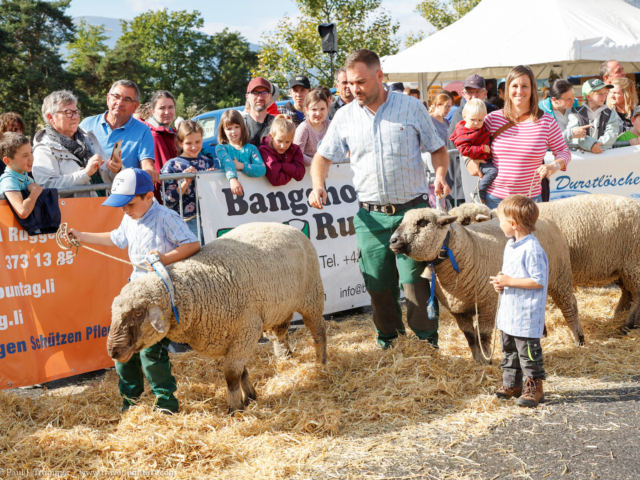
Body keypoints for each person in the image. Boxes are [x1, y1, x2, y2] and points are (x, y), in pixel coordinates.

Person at [309, 48, 450, 350]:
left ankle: (427, 346)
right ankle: (390, 345)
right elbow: (321, 157)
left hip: (413, 215)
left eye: (360, 82)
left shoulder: (411, 107)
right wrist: (317, 185)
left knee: (415, 284)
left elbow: (437, 148)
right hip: (370, 218)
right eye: (348, 84)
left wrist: (440, 175)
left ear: (379, 76)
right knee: (377, 286)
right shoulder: (345, 117)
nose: (353, 90)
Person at [68, 168, 200, 414]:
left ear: (149, 197)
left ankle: (166, 404)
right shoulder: (130, 217)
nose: (125, 210)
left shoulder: (165, 217)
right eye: (122, 206)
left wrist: (164, 257)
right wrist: (82, 236)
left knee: (151, 352)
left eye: (129, 204)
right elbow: (117, 239)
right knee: (121, 347)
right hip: (135, 293)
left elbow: (192, 244)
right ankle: (131, 402)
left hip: (159, 296)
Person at [466, 65, 571, 209]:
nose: (519, 91)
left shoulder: (546, 121)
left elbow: (563, 152)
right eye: (514, 86)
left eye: (525, 86)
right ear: (507, 89)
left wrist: (554, 166)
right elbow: (466, 139)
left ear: (532, 89)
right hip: (494, 200)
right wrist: (468, 161)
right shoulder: (491, 119)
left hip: (530, 201)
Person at [490, 195, 548, 408]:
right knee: (510, 351)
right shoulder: (510, 244)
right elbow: (510, 274)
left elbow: (538, 280)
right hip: (509, 312)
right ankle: (512, 384)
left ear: (513, 224)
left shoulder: (532, 249)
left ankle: (534, 388)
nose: (499, 224)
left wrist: (510, 281)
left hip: (526, 314)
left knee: (528, 354)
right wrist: (502, 282)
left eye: (500, 221)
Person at [33, 90, 122, 198]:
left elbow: (107, 175)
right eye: (68, 113)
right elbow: (47, 187)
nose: (75, 117)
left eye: (76, 112)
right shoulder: (44, 149)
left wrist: (116, 169)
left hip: (105, 208)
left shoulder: (88, 138)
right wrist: (85, 174)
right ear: (50, 117)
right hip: (75, 213)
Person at [79, 79, 157, 183]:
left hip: (124, 194)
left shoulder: (143, 131)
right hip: (89, 194)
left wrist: (150, 172)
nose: (120, 103)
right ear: (108, 98)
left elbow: (147, 165)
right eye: (116, 97)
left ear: (135, 107)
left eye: (127, 100)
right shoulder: (86, 124)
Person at [161, 120, 219, 239]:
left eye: (198, 141)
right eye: (189, 143)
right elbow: (168, 200)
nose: (194, 147)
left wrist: (214, 180)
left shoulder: (207, 162)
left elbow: (217, 193)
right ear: (180, 143)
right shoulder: (171, 166)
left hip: (210, 219)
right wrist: (185, 183)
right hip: (185, 222)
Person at [446, 75, 497, 205]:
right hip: (462, 181)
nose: (473, 96)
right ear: (463, 93)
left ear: (485, 93)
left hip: (488, 179)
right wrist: (469, 160)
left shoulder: (493, 111)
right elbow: (459, 147)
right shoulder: (460, 114)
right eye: (470, 92)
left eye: (477, 91)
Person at [215, 109, 266, 196]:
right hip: (228, 195)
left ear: (242, 127)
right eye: (229, 128)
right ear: (223, 131)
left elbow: (261, 169)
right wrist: (233, 179)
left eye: (237, 127)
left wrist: (241, 166)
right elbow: (227, 161)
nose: (233, 131)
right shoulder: (221, 148)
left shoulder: (252, 149)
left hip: (252, 194)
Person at [566, 79, 619, 153]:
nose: (604, 96)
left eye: (605, 93)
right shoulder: (576, 113)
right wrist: (591, 146)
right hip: (582, 157)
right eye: (600, 93)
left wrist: (596, 146)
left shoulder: (610, 113)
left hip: (603, 155)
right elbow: (574, 135)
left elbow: (611, 134)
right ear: (588, 97)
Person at [0, 132, 43, 219]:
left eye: (31, 152)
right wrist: (34, 193)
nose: (31, 158)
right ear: (8, 161)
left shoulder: (28, 178)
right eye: (25, 155)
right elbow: (22, 212)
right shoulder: (9, 180)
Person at [260, 114, 305, 186]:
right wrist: (291, 174)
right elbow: (276, 179)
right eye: (279, 141)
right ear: (271, 137)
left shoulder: (295, 149)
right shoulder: (265, 150)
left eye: (287, 142)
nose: (283, 146)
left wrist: (281, 166)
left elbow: (300, 174)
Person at [538, 79, 583, 145]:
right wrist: (570, 134)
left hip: (576, 152)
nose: (573, 101)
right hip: (551, 154)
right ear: (554, 100)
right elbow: (543, 142)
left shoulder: (575, 105)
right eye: (568, 99)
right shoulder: (540, 112)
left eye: (573, 96)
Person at [293, 89, 331, 165]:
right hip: (309, 171)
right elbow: (297, 153)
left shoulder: (330, 125)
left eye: (322, 109)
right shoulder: (304, 128)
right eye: (314, 109)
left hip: (331, 168)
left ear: (327, 109)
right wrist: (317, 163)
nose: (318, 113)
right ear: (306, 110)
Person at [143, 90, 177, 175]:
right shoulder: (152, 136)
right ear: (153, 111)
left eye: (171, 107)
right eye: (162, 108)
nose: (167, 112)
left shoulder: (175, 133)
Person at [245, 77, 275, 148]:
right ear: (247, 97)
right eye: (255, 93)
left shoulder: (277, 124)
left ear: (270, 96)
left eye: (264, 93)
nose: (260, 97)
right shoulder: (241, 125)